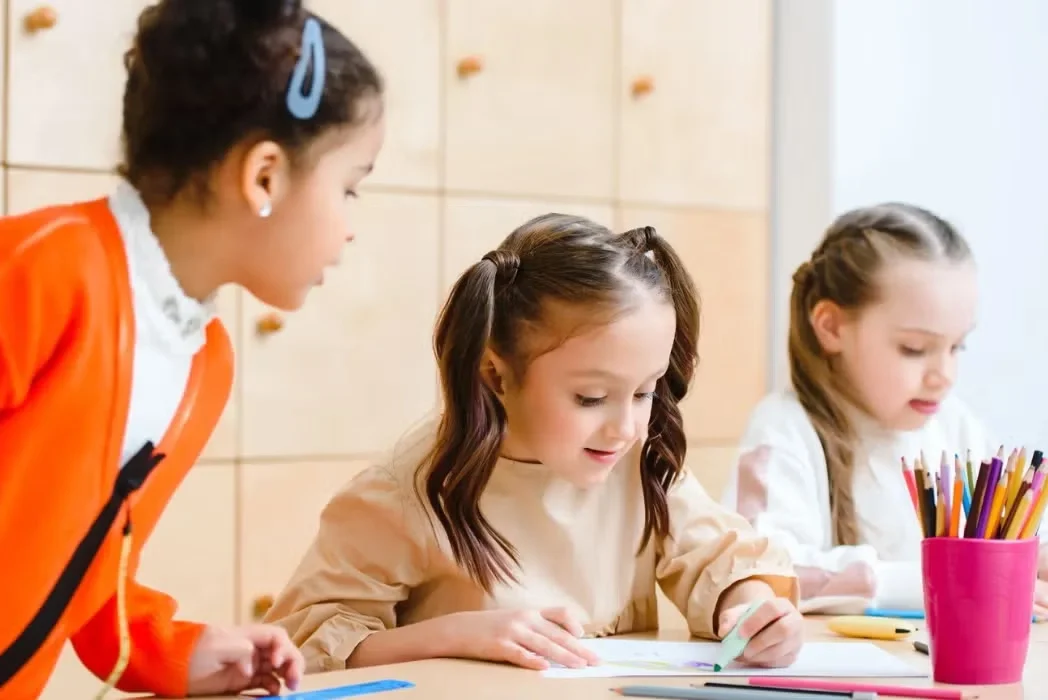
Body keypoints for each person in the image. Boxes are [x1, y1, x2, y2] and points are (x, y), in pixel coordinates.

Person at [0, 0, 385, 697]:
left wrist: (185, 651)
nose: (352, 227)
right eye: (350, 187)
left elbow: (85, 564)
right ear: (264, 176)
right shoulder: (37, 272)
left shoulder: (200, 358)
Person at [263, 214, 803, 673]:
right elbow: (305, 643)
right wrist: (457, 636)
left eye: (644, 391)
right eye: (591, 397)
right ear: (497, 376)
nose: (627, 426)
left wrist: (751, 610)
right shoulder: (407, 493)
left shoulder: (636, 463)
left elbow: (718, 557)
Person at [721, 202, 1048, 617]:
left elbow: (1013, 531)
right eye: (914, 348)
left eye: (956, 346)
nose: (944, 375)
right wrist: (944, 579)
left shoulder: (955, 425)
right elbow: (760, 570)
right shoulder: (784, 430)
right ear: (831, 327)